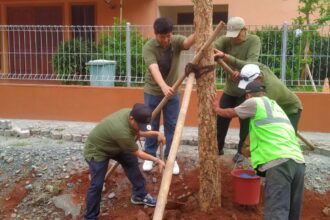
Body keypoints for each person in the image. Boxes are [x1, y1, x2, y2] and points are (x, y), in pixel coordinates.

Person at [211, 81, 305, 220]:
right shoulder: (275, 106)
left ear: (248, 96)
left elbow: (232, 112)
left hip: (279, 164)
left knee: (276, 213)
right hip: (298, 163)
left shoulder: (254, 102)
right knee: (292, 214)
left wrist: (217, 109)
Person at [83, 103, 166, 220]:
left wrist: (156, 133)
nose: (140, 127)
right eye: (139, 125)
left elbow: (138, 131)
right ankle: (90, 217)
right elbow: (139, 153)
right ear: (132, 119)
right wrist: (158, 160)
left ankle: (139, 195)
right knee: (97, 185)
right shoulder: (121, 132)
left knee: (131, 161)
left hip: (116, 144)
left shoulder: (131, 114)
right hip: (97, 150)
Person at [142, 17, 195, 175]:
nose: (166, 40)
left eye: (168, 36)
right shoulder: (149, 47)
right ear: (156, 34)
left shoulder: (175, 41)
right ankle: (150, 156)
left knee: (172, 126)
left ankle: (171, 158)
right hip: (153, 92)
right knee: (151, 124)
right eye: (162, 36)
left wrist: (198, 31)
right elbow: (154, 68)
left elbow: (187, 43)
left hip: (173, 93)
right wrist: (164, 87)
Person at [213, 16, 261, 162]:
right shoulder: (227, 40)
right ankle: (217, 147)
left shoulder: (254, 41)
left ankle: (241, 151)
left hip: (246, 89)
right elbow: (211, 46)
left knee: (244, 121)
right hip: (230, 88)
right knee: (221, 118)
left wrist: (227, 58)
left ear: (244, 30)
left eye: (237, 35)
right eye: (231, 35)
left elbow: (251, 63)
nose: (233, 39)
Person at [238, 63, 302, 132]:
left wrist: (247, 141)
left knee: (287, 133)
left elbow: (263, 112)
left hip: (290, 109)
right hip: (277, 109)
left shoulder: (270, 90)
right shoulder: (261, 70)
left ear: (259, 78)